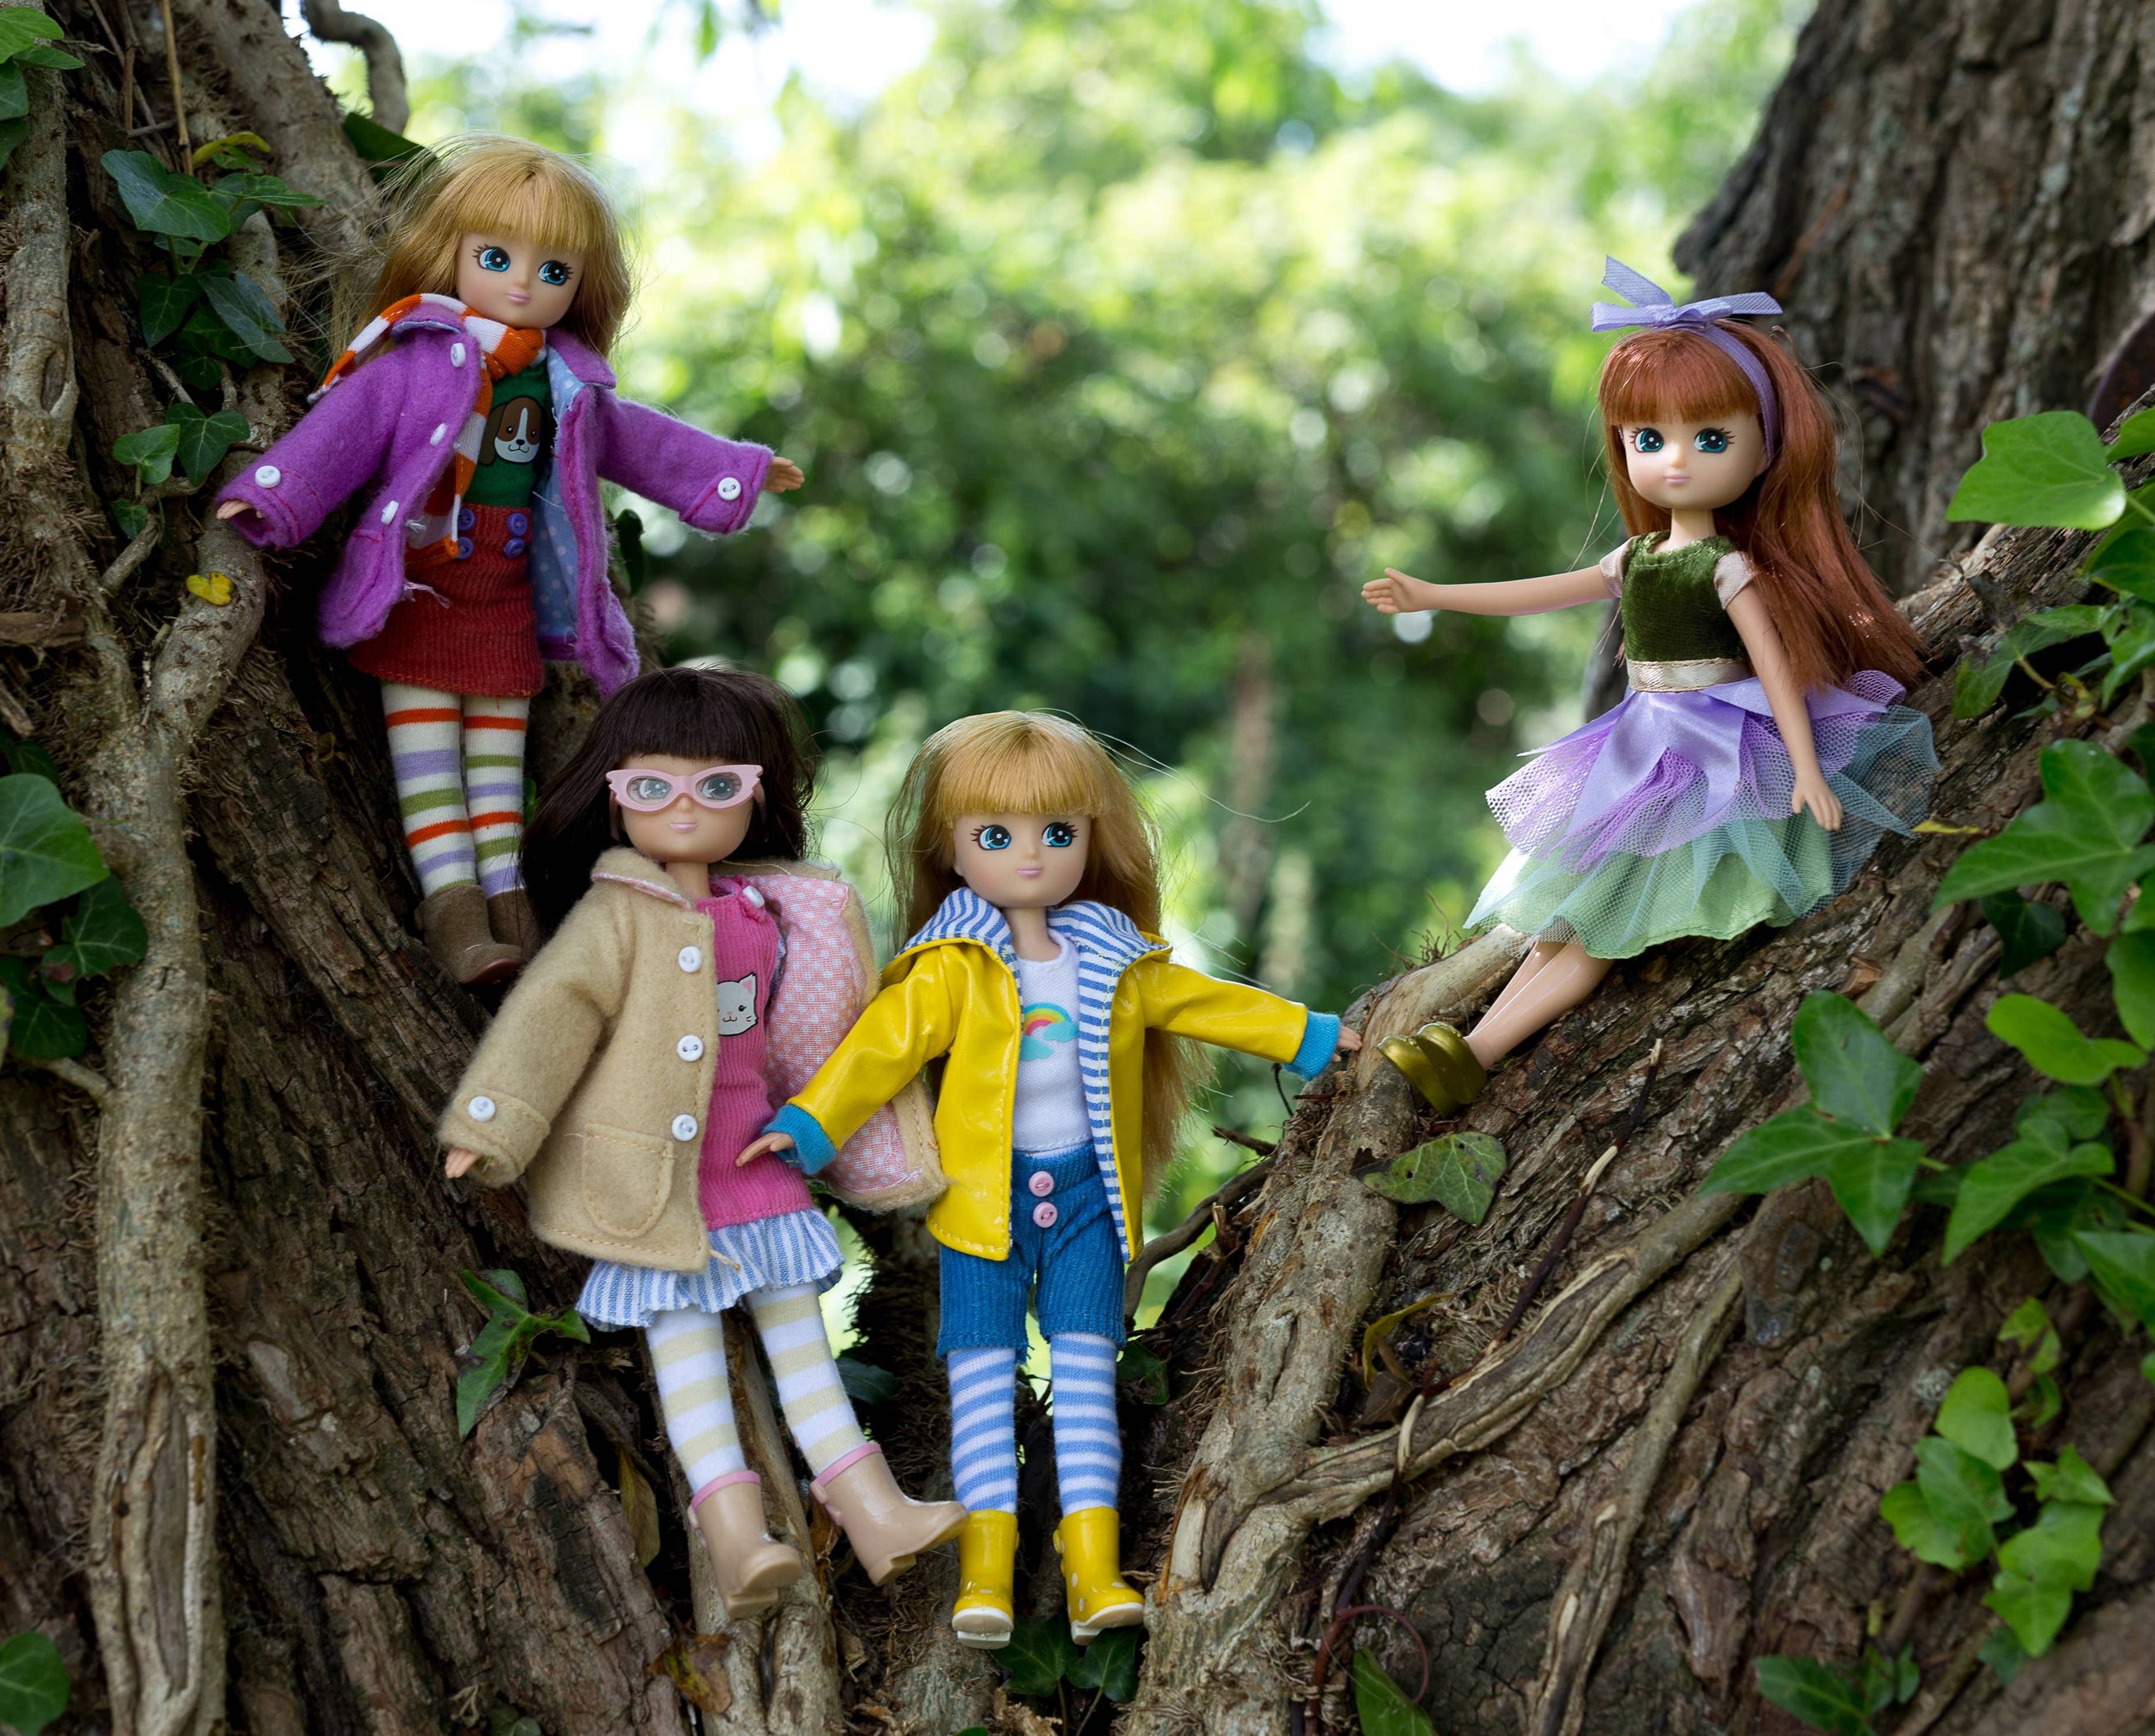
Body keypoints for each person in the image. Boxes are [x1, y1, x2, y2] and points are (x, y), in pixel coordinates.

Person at [739, 712, 1361, 1648]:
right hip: (979, 1208)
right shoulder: (950, 967)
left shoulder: (1115, 959)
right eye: (995, 836)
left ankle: (1090, 1563)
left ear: (1090, 840)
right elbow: (880, 1048)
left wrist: (1309, 1036)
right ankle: (986, 1572)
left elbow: (1205, 1004)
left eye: (1056, 833)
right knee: (981, 1384)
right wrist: (808, 1123)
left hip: (1086, 1202)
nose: (1029, 856)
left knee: (1084, 1379)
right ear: (950, 849)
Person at [433, 666, 960, 1619]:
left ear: (756, 797)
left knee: (802, 1347)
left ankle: (871, 1508)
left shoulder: (767, 914)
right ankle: (733, 1535)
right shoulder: (613, 917)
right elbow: (553, 1014)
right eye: (652, 787)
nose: (684, 807)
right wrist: (493, 1121)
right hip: (654, 1187)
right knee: (688, 1365)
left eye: (716, 786)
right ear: (614, 795)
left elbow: (808, 1036)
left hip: (755, 1172)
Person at [216, 134, 802, 982]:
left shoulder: (565, 384)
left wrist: (735, 470)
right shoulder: (414, 362)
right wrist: (273, 495)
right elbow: (340, 433)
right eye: (496, 258)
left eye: (553, 270)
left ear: (583, 284)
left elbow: (642, 441)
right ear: (450, 253)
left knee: (496, 779)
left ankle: (512, 910)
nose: (523, 284)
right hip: (416, 596)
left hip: (505, 608)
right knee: (429, 770)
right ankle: (454, 912)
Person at [1361, 260, 1937, 1112]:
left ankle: (1476, 1049)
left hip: (1713, 747)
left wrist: (1807, 768)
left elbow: (1775, 668)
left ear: (1765, 448)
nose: (1674, 462)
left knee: (1602, 921)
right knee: (1566, 913)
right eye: (1647, 440)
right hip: (1638, 742)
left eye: (1710, 440)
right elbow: (1540, 592)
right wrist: (1434, 594)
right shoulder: (1634, 558)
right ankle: (1461, 1047)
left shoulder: (1727, 566)